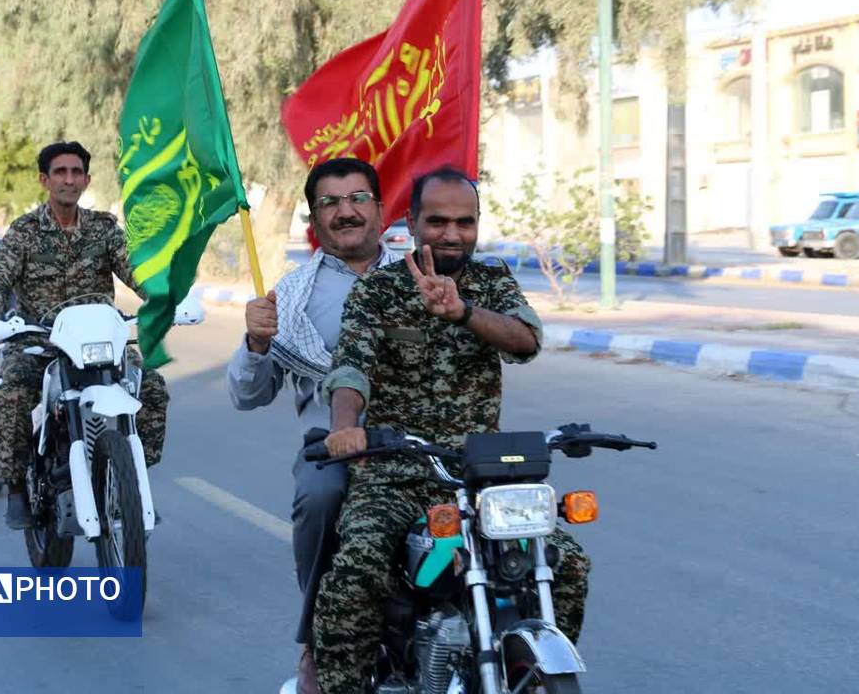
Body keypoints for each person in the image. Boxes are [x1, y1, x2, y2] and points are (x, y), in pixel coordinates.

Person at [313, 167, 591, 694]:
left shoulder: (491, 280)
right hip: (396, 473)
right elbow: (350, 369)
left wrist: (462, 311)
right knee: (356, 571)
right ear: (412, 222)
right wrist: (345, 429)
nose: (452, 233)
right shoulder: (379, 290)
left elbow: (526, 340)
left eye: (465, 222)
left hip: (480, 479)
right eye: (437, 221)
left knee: (567, 563)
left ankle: (531, 673)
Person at [226, 157, 399, 694]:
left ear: (380, 208)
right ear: (314, 217)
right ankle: (318, 644)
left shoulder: (420, 276)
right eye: (330, 202)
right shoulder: (293, 296)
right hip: (333, 447)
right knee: (321, 495)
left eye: (358, 198)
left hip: (420, 443)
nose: (346, 211)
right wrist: (256, 343)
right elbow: (248, 395)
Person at [0, 141, 169, 529]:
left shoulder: (103, 229)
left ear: (87, 180)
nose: (69, 179)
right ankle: (16, 487)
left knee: (151, 388)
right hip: (40, 341)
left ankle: (131, 485)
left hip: (98, 342)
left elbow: (137, 271)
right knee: (12, 392)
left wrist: (167, 297)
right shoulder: (25, 232)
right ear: (44, 180)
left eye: (76, 172)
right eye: (60, 172)